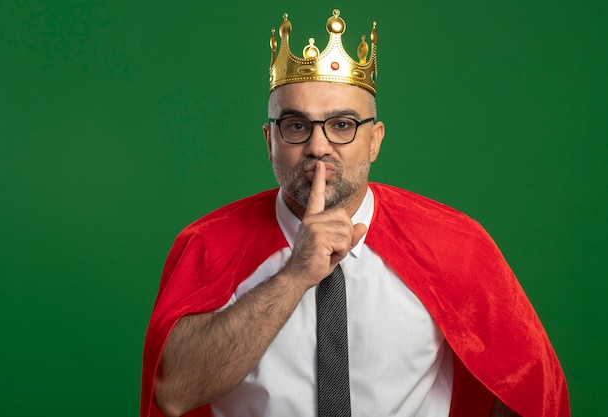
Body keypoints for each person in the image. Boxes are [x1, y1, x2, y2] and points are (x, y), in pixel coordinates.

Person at [141, 9, 569, 417]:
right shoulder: (208, 245)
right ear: (269, 139)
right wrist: (294, 276)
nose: (318, 146)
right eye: (296, 126)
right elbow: (174, 393)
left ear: (375, 140)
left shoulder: (455, 245)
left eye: (342, 125)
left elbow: (531, 388)